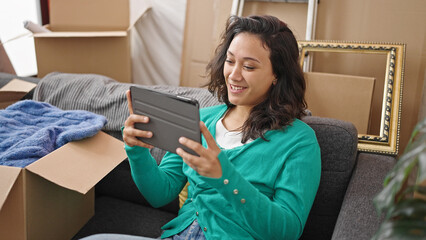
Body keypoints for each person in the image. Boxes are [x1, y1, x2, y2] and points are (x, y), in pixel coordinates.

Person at [85, 15, 321, 240]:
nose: (233, 75)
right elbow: (160, 193)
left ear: (277, 75)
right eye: (230, 61)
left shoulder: (300, 141)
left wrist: (225, 177)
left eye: (249, 67)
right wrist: (136, 151)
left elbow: (287, 231)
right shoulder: (200, 119)